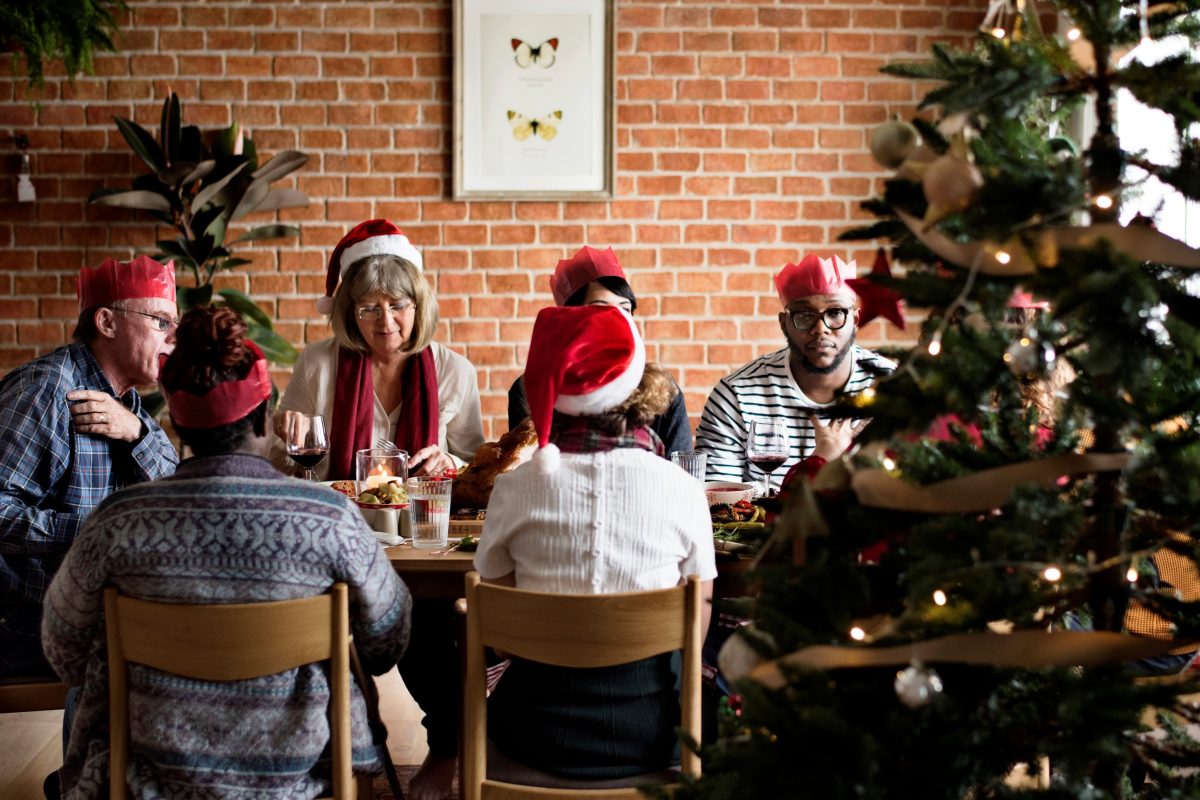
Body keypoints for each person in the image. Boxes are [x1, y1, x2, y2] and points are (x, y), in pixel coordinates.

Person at [41, 306, 412, 799]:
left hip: (148, 783)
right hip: (300, 783)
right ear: (265, 415)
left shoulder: (116, 523)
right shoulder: (332, 520)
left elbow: (62, 646)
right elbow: (389, 638)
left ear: (176, 423)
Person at [475, 304, 716, 779]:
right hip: (659, 731)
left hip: (533, 731)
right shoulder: (682, 488)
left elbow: (499, 636)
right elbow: (696, 626)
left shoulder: (514, 487)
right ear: (636, 385)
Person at [0, 255, 179, 679]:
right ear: (107, 322)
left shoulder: (126, 400)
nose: (172, 338)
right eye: (160, 321)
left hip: (96, 619)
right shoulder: (46, 391)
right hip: (32, 629)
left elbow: (172, 485)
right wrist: (98, 528)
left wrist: (137, 432)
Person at [273, 218, 485, 479]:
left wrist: (451, 462)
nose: (385, 321)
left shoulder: (456, 371)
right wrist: (284, 435)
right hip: (337, 516)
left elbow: (478, 469)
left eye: (397, 305)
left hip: (423, 518)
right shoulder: (317, 363)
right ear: (350, 313)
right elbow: (279, 468)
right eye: (370, 308)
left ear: (418, 305)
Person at [695, 253, 895, 492]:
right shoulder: (736, 396)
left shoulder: (894, 387)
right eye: (804, 315)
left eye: (835, 313)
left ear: (856, 319)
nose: (821, 329)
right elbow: (718, 508)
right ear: (784, 323)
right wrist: (821, 459)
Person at [507, 245, 693, 457]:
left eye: (624, 309)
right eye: (600, 309)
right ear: (571, 319)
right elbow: (524, 463)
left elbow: (682, 469)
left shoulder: (661, 390)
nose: (615, 320)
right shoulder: (528, 391)